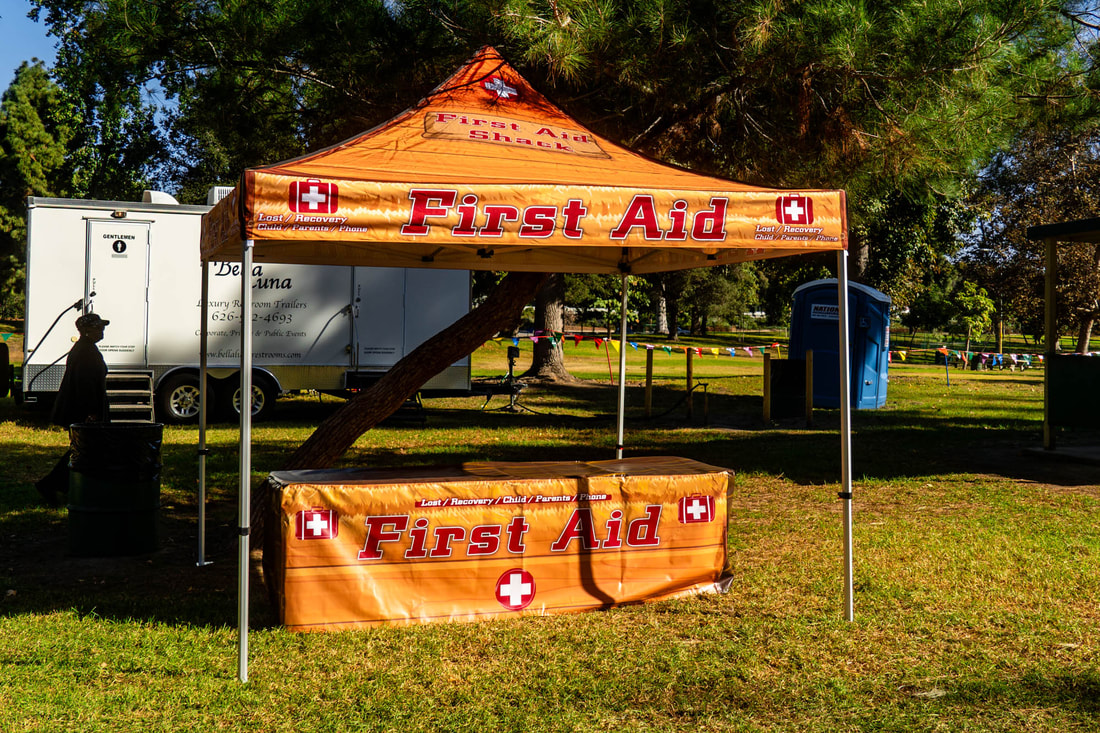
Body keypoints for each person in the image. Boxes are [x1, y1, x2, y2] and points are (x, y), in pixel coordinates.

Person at [35, 313, 111, 506]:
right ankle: (53, 484)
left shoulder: (85, 349)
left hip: (84, 409)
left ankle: (72, 486)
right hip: (84, 411)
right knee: (84, 451)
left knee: (86, 451)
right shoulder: (85, 351)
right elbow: (85, 385)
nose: (102, 331)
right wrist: (91, 413)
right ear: (86, 331)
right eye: (98, 327)